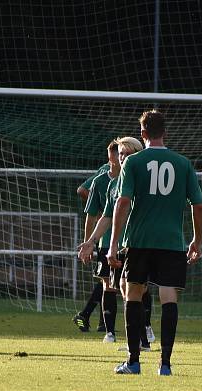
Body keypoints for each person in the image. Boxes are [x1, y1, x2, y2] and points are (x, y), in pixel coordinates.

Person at [107, 110, 202, 376]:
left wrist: (114, 243)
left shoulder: (133, 162)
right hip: (172, 242)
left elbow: (123, 201)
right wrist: (197, 239)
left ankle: (134, 361)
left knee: (133, 293)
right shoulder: (183, 163)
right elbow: (198, 204)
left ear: (143, 134)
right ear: (165, 132)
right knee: (169, 297)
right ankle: (165, 365)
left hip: (139, 240)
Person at [78, 137, 151, 348]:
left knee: (136, 290)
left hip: (139, 243)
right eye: (121, 154)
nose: (123, 158)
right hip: (118, 244)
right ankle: (139, 340)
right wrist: (90, 241)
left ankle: (141, 339)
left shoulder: (144, 183)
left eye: (127, 154)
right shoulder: (111, 184)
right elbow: (106, 217)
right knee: (121, 287)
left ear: (137, 155)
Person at [72, 159, 113, 333]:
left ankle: (98, 320)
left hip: (117, 235)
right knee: (110, 280)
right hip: (107, 235)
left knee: (112, 281)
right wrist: (105, 208)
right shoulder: (106, 170)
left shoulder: (130, 168)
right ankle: (88, 316)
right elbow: (82, 189)